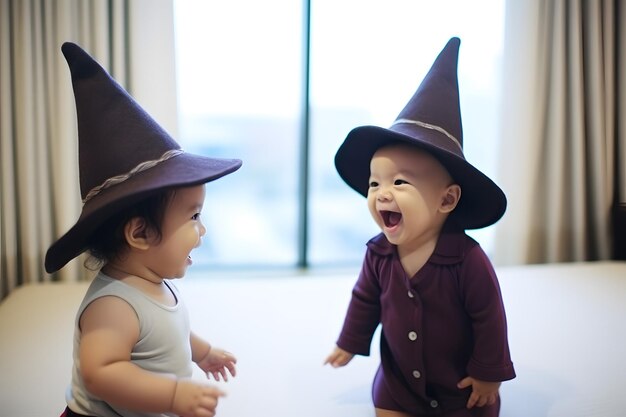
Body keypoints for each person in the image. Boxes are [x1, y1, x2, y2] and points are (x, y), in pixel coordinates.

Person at [46, 42, 241, 417]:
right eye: (193, 217)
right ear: (140, 234)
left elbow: (170, 332)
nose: (203, 231)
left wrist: (202, 352)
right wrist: (171, 396)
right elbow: (101, 373)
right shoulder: (113, 305)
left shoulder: (154, 281)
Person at [324, 37, 516, 417]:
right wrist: (350, 341)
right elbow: (365, 299)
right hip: (399, 380)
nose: (381, 193)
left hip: (460, 383)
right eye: (374, 183)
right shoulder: (378, 252)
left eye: (400, 182)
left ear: (446, 200)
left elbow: (489, 316)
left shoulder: (467, 260)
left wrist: (488, 375)